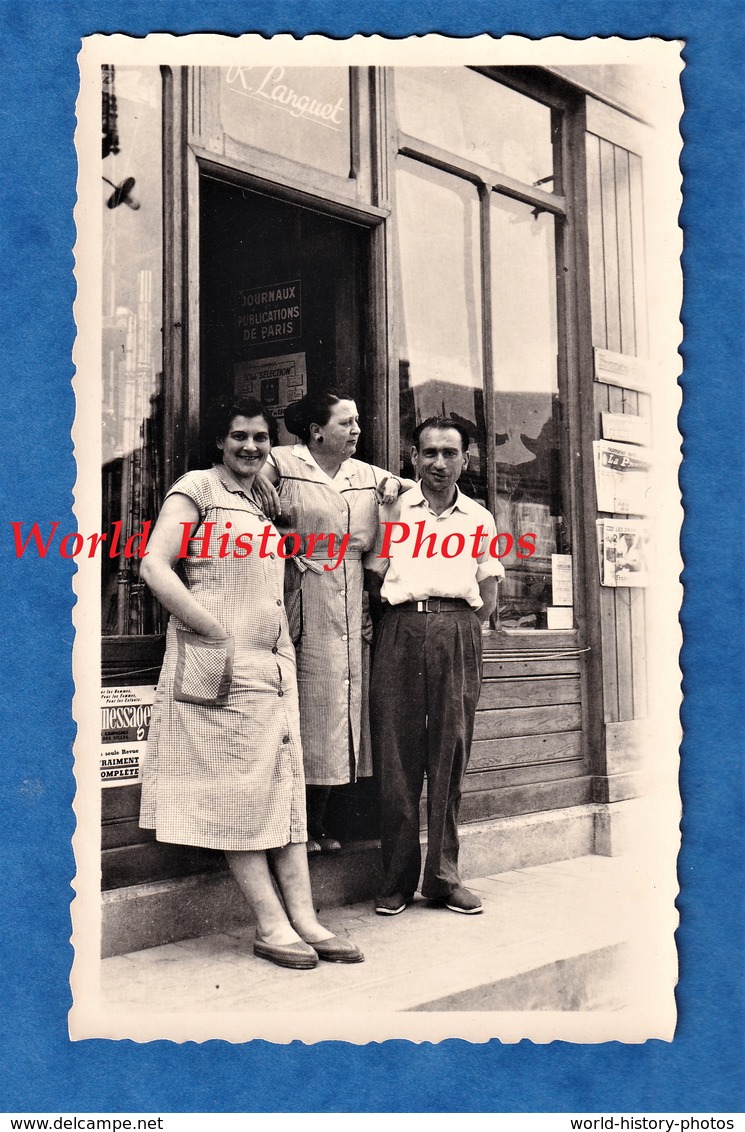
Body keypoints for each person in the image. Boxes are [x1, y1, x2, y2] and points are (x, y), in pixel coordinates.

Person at [138, 394, 363, 969]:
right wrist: (214, 631)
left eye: (260, 438)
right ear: (220, 440)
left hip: (272, 666)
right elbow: (154, 565)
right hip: (215, 660)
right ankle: (271, 925)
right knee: (239, 792)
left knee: (284, 789)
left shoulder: (263, 496)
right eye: (239, 436)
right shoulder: (198, 489)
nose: (250, 447)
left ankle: (307, 919)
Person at [367, 417, 504, 916]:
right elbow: (374, 570)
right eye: (429, 453)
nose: (439, 463)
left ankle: (444, 879)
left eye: (450, 453)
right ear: (413, 457)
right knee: (397, 756)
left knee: (451, 750)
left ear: (466, 459)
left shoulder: (479, 518)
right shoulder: (392, 507)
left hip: (457, 630)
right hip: (401, 628)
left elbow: (487, 593)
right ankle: (397, 879)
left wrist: (455, 626)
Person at [260, 389, 407, 852]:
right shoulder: (282, 463)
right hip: (300, 592)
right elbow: (244, 490)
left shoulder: (366, 473)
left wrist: (396, 488)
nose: (358, 430)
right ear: (316, 431)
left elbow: (413, 490)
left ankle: (319, 823)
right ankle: (294, 826)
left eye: (357, 421)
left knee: (340, 713)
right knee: (302, 707)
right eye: (347, 423)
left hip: (350, 599)